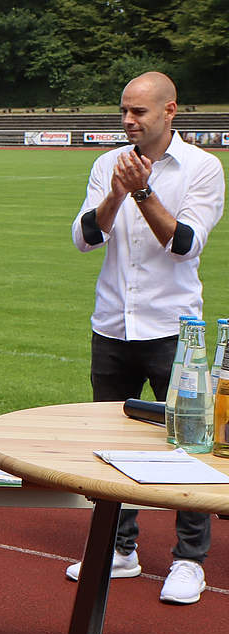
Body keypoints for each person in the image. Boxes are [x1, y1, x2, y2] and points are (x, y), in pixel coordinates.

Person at [66, 72, 225, 604]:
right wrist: (114, 194)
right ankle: (121, 547)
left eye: (139, 112)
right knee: (112, 443)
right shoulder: (106, 162)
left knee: (189, 443)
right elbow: (85, 238)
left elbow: (183, 244)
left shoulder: (203, 168)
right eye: (124, 112)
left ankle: (188, 560)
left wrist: (143, 191)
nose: (129, 122)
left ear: (170, 110)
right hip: (112, 323)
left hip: (176, 328)